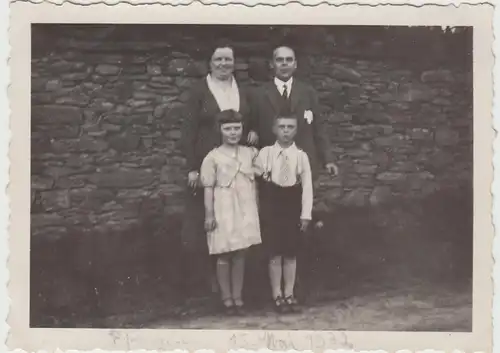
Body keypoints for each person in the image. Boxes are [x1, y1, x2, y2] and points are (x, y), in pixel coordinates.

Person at [247, 44, 340, 304]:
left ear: (296, 64)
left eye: (289, 60)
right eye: (279, 60)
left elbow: (318, 128)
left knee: (301, 222)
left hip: (301, 166)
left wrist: (328, 159)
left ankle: (298, 285)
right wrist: (252, 134)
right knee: (274, 225)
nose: (284, 64)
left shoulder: (307, 93)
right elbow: (252, 125)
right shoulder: (259, 94)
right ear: (272, 64)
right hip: (273, 171)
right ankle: (275, 290)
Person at [179, 41, 252, 300]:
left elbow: (247, 121)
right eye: (218, 59)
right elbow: (188, 132)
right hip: (207, 167)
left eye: (228, 60)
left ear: (235, 63)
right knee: (209, 225)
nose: (223, 64)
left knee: (235, 225)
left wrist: (252, 132)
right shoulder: (200, 90)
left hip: (236, 169)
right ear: (210, 63)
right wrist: (192, 168)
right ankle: (212, 286)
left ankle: (237, 289)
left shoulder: (241, 89)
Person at [200, 109, 262, 315]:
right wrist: (209, 215)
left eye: (237, 128)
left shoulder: (250, 153)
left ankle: (238, 298)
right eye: (228, 129)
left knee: (240, 252)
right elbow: (208, 188)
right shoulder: (213, 157)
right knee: (224, 253)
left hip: (244, 207)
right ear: (220, 130)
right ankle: (226, 299)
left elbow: (262, 173)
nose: (233, 133)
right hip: (224, 208)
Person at [255, 113, 313, 313]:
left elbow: (307, 187)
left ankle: (289, 293)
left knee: (290, 252)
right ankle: (276, 294)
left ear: (296, 130)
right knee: (274, 252)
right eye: (282, 127)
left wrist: (306, 214)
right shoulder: (265, 154)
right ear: (274, 129)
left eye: (290, 127)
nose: (286, 131)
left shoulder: (301, 156)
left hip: (292, 206)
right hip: (272, 207)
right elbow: (254, 179)